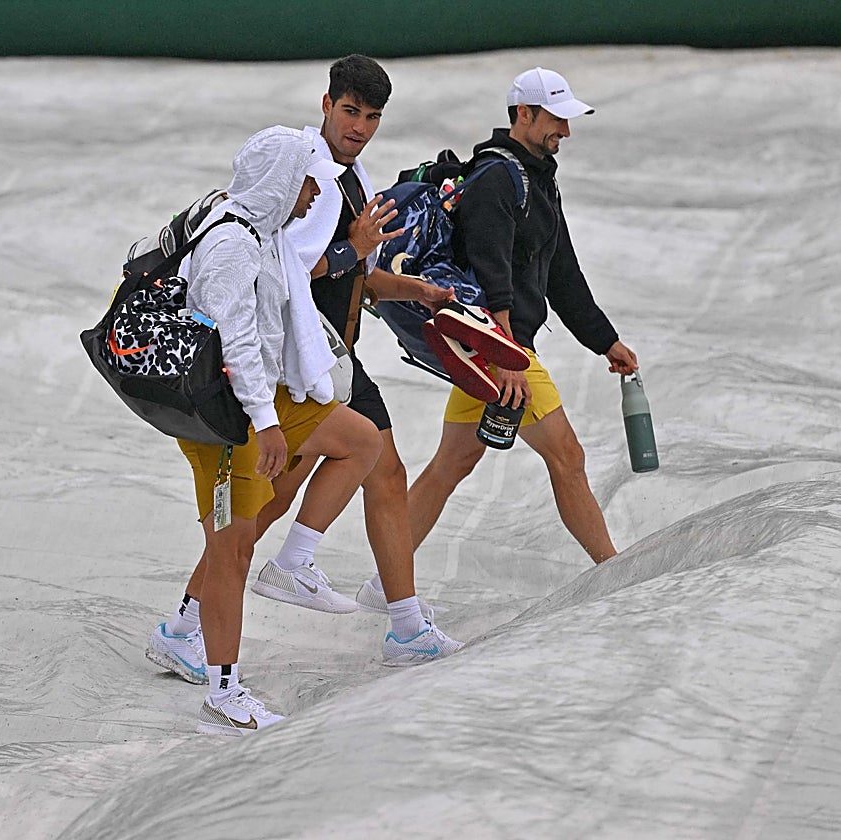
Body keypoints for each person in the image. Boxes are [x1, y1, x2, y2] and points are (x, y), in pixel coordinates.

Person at [148, 57, 463, 694]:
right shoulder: (300, 174)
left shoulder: (343, 176)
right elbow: (298, 268)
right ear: (326, 104)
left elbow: (345, 275)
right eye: (351, 112)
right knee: (278, 505)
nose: (361, 127)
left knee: (302, 491)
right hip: (305, 364)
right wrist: (354, 250)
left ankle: (195, 623)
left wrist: (413, 289)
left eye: (372, 117)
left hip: (314, 361)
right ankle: (322, 608)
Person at [165, 125, 382, 735]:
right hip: (228, 422)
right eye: (309, 182)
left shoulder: (262, 234)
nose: (317, 195)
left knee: (359, 440)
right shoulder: (234, 244)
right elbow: (235, 344)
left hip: (262, 402)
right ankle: (224, 689)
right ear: (282, 181)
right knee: (232, 547)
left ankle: (184, 628)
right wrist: (266, 426)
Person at [406, 67, 639, 566]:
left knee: (453, 461)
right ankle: (614, 571)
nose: (567, 131)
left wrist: (606, 341)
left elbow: (562, 274)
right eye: (556, 118)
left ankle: (387, 577)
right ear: (524, 114)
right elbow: (493, 279)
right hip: (500, 344)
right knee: (567, 457)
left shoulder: (539, 181)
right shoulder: (496, 178)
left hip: (493, 344)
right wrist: (506, 355)